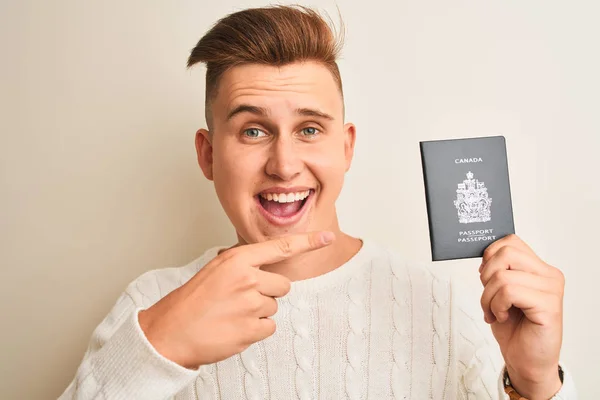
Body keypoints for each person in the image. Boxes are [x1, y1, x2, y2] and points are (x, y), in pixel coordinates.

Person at [59, 5, 577, 400]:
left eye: (309, 129)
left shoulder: (445, 306)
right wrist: (157, 350)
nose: (284, 165)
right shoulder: (150, 303)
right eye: (253, 130)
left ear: (346, 147)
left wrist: (535, 384)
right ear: (208, 154)